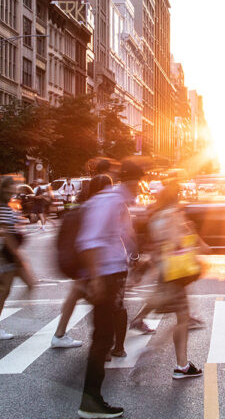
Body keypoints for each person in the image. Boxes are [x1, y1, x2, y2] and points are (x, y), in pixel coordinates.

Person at [75, 159, 141, 418]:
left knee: (103, 337)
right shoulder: (109, 201)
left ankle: (92, 399)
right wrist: (96, 279)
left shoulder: (116, 202)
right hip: (105, 274)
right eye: (139, 182)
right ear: (131, 181)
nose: (140, 188)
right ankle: (90, 401)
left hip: (111, 274)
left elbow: (125, 235)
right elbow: (89, 240)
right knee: (101, 338)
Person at [144, 182, 206, 379]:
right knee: (182, 319)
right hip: (176, 273)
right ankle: (158, 353)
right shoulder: (173, 214)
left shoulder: (156, 216)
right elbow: (177, 240)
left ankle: (183, 364)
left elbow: (155, 244)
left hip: (164, 271)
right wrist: (194, 242)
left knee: (181, 316)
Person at [51, 174, 114, 349]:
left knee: (77, 294)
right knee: (97, 298)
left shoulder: (84, 204)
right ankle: (102, 343)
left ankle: (60, 333)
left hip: (78, 261)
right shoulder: (95, 207)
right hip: (87, 262)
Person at [0, 176, 36, 341]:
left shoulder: (6, 207)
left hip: (10, 254)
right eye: (9, 189)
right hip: (7, 255)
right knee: (3, 291)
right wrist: (17, 256)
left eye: (13, 189)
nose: (12, 192)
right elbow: (6, 234)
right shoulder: (2, 208)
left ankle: (21, 315)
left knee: (30, 283)